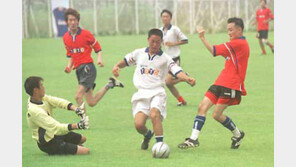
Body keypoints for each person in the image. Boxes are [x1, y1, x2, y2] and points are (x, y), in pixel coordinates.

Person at [112, 29, 196, 150]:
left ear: (162, 42)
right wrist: (116, 66)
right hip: (141, 93)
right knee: (139, 125)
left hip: (157, 93)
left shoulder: (165, 58)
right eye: (152, 41)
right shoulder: (139, 53)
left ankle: (159, 145)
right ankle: (147, 135)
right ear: (148, 40)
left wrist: (187, 79)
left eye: (158, 42)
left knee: (154, 114)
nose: (155, 45)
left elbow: (177, 71)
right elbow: (125, 61)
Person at [178, 17, 249, 149]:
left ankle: (238, 134)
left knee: (216, 114)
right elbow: (225, 54)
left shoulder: (239, 44)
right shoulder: (235, 46)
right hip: (220, 81)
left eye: (231, 30)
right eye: (228, 30)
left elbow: (214, 51)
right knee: (202, 108)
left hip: (231, 84)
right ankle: (193, 139)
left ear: (239, 30)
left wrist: (202, 37)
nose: (229, 33)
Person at [63, 8, 123, 114]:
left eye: (75, 20)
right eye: (70, 20)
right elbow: (71, 54)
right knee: (91, 102)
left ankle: (84, 121)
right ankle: (110, 84)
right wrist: (68, 67)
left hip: (88, 68)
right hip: (79, 71)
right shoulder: (66, 38)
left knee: (77, 96)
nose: (73, 22)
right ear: (66, 22)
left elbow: (97, 48)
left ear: (78, 21)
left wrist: (99, 59)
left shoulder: (86, 34)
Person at [24, 76, 90, 155]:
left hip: (54, 134)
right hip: (48, 143)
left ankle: (69, 146)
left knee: (83, 139)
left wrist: (75, 109)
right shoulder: (35, 111)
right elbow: (57, 127)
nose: (43, 87)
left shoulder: (40, 98)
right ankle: (60, 148)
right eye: (41, 85)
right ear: (36, 90)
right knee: (86, 151)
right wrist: (78, 126)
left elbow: (58, 101)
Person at [160, 9, 190, 106]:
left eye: (167, 16)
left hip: (175, 58)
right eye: (163, 16)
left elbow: (185, 40)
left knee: (167, 82)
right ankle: (181, 100)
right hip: (166, 59)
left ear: (170, 18)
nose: (165, 18)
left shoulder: (175, 29)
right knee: (168, 83)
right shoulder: (160, 30)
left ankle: (185, 78)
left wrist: (173, 44)